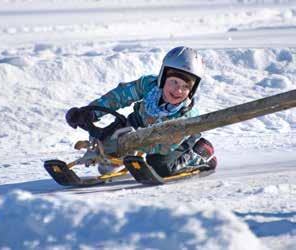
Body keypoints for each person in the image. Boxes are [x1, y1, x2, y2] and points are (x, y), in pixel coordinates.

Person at [66, 46, 217, 176]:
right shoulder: (148, 85)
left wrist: (133, 143)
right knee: (109, 139)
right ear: (163, 77)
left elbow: (166, 146)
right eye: (174, 82)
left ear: (192, 90)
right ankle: (114, 155)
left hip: (172, 140)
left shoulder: (186, 115)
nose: (178, 90)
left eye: (186, 87)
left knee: (160, 165)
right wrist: (91, 113)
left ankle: (201, 152)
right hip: (139, 123)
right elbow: (120, 96)